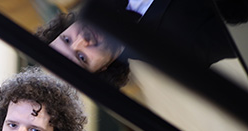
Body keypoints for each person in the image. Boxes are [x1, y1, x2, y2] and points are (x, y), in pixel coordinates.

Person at [37, 0, 243, 88]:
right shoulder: (174, 55)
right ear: (103, 69)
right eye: (82, 58)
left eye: (67, 39)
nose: (82, 40)